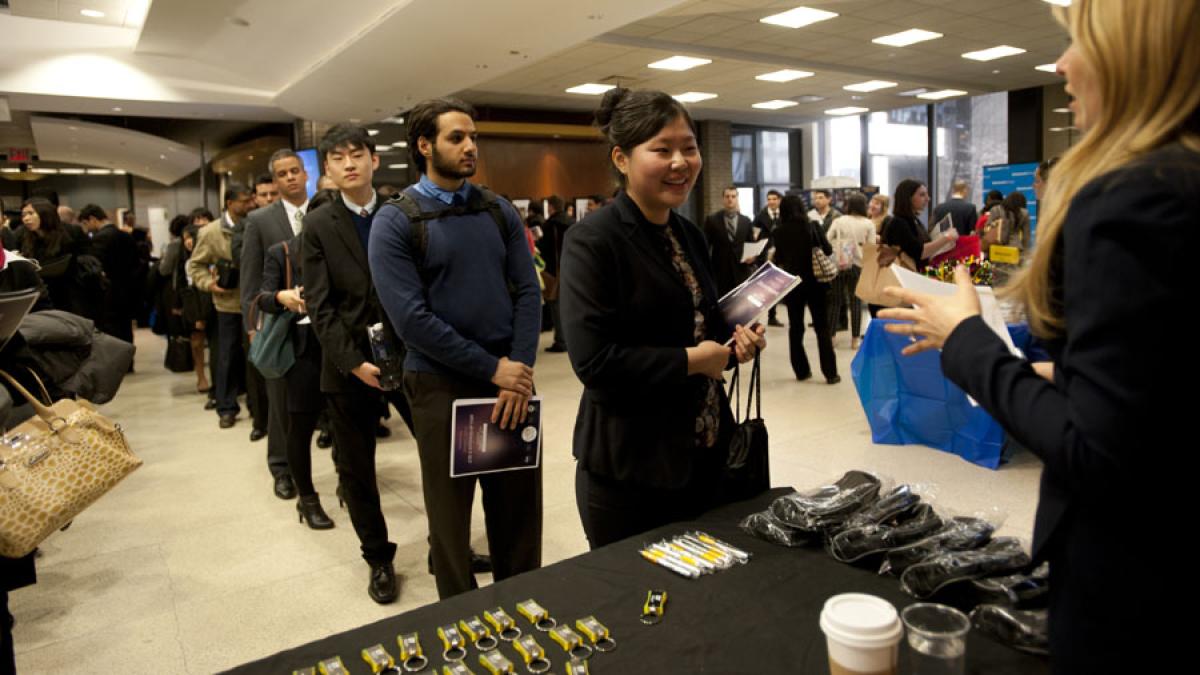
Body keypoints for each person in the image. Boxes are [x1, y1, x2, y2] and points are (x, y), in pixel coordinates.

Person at [880, 1, 1198, 671]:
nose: (1061, 65)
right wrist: (1063, 376)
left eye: (1075, 40)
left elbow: (1096, 452)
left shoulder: (1137, 199)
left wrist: (967, 339)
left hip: (1133, 589)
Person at [559, 87, 767, 549]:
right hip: (631, 469)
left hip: (706, 453)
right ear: (621, 158)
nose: (681, 162)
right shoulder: (593, 240)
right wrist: (693, 360)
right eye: (662, 149)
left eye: (689, 148)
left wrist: (735, 345)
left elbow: (702, 326)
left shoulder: (688, 233)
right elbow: (595, 363)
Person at [369, 99, 542, 600]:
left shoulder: (496, 209)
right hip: (441, 384)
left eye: (473, 137)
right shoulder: (396, 221)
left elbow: (528, 291)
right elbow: (411, 321)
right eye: (456, 138)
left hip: (510, 380)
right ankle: (460, 620)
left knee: (517, 513)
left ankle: (522, 604)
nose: (470, 147)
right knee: (449, 521)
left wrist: (519, 368)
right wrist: (494, 370)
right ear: (424, 146)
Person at [303, 124, 417, 603]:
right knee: (357, 468)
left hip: (411, 357)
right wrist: (354, 364)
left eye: (357, 154)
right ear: (327, 169)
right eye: (337, 158)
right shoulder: (318, 224)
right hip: (348, 364)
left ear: (374, 159)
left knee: (438, 453)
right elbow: (319, 306)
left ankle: (445, 545)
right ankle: (378, 558)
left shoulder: (402, 212)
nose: (349, 164)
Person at [242, 149, 311, 497]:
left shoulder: (325, 211)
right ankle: (281, 469)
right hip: (280, 324)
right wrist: (252, 327)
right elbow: (251, 280)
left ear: (306, 174)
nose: (290, 178)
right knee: (281, 402)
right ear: (275, 179)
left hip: (322, 324)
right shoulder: (259, 221)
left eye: (295, 171)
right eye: (282, 173)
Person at [257, 223, 334, 531]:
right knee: (300, 426)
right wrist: (281, 296)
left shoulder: (340, 246)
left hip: (338, 346)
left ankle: (348, 483)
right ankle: (308, 497)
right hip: (301, 351)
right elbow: (261, 297)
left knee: (344, 424)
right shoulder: (284, 252)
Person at [188, 184, 254, 430]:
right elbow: (196, 266)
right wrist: (210, 284)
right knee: (225, 356)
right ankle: (226, 407)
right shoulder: (210, 232)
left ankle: (257, 407)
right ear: (229, 203)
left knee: (253, 357)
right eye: (244, 201)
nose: (250, 205)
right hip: (226, 304)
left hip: (253, 302)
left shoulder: (254, 223)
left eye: (251, 200)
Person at [772, 194, 838, 383]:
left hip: (793, 285)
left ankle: (801, 371)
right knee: (822, 328)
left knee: (796, 328)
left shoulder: (778, 232)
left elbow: (780, 259)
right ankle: (830, 373)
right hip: (816, 283)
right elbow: (827, 250)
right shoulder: (813, 226)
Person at [79, 204, 138, 343]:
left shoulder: (100, 238)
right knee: (126, 332)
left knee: (113, 335)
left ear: (93, 219)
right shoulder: (126, 236)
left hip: (110, 295)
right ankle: (129, 363)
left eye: (85, 223)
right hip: (127, 292)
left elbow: (96, 267)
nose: (86, 228)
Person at [827, 192, 876, 349]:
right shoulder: (868, 224)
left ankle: (831, 337)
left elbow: (828, 238)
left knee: (835, 301)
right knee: (855, 302)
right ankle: (855, 339)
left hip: (839, 263)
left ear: (848, 206)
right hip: (858, 265)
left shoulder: (839, 221)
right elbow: (871, 246)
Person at [882, 179, 957, 273]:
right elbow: (919, 252)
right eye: (922, 195)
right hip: (903, 277)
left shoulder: (913, 220)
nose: (928, 199)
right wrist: (947, 237)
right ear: (908, 198)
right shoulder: (899, 223)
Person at [702, 186, 755, 295]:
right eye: (727, 196)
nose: (730, 199)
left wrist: (753, 257)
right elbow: (705, 246)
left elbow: (751, 244)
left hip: (741, 271)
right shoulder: (712, 220)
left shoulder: (746, 221)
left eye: (733, 196)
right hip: (720, 271)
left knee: (741, 304)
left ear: (737, 198)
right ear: (723, 199)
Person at [541, 195, 571, 353]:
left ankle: (561, 340)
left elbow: (545, 250)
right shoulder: (572, 222)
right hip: (571, 270)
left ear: (551, 207)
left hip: (554, 271)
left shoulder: (550, 225)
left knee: (556, 306)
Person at [752, 189, 785, 327]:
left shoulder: (784, 215)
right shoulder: (760, 216)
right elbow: (754, 235)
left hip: (779, 255)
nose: (771, 201)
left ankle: (772, 316)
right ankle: (756, 316)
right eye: (769, 199)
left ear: (779, 200)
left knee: (776, 287)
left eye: (774, 199)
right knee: (762, 286)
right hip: (763, 255)